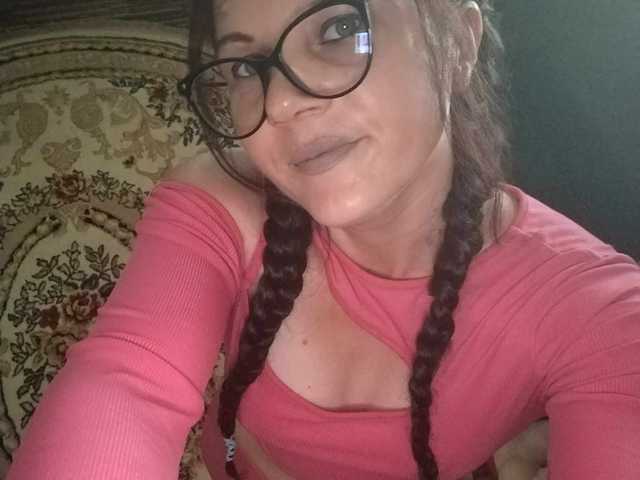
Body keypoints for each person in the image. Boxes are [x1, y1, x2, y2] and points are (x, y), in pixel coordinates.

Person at [7, 0, 640, 479]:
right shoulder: (222, 201)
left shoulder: (596, 312)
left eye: (338, 28)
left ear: (456, 43)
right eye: (246, 66)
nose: (282, 102)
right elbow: (127, 386)